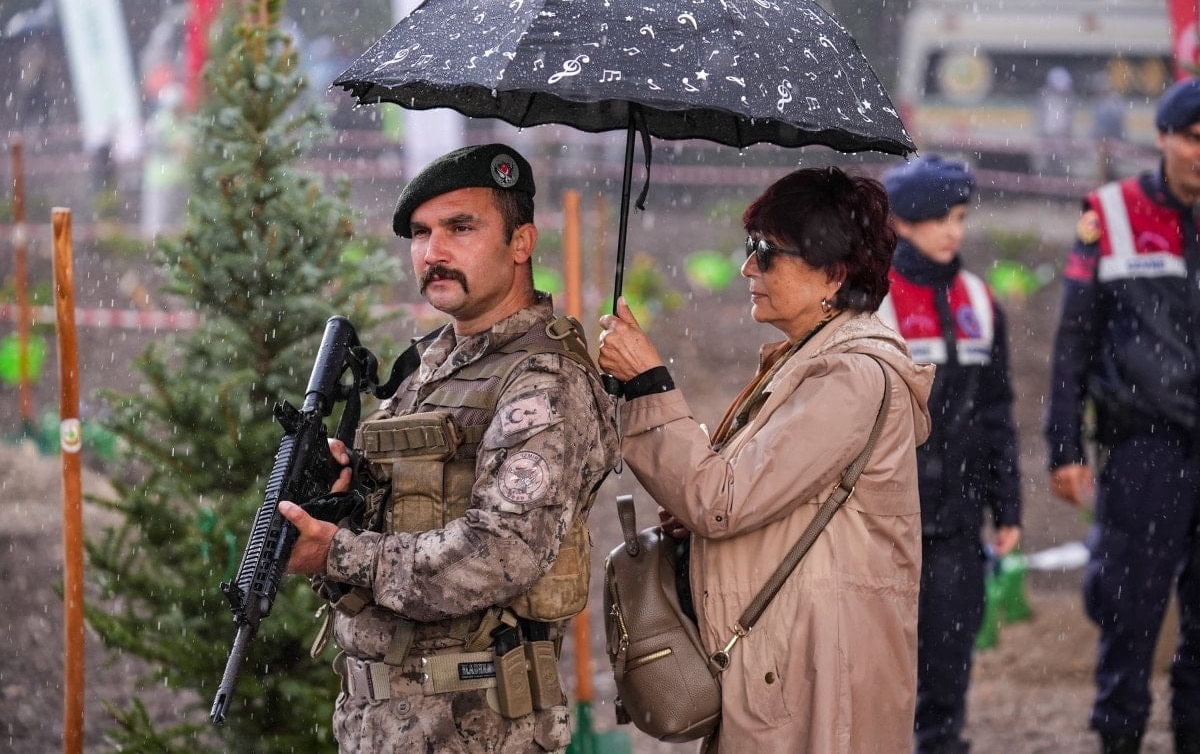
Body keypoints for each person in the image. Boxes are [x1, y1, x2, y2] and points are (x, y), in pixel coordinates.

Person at [278, 143, 621, 753]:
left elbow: (502, 550)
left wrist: (340, 553)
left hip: (477, 728)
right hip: (381, 724)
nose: (433, 252)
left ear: (521, 242)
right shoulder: (426, 368)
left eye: (460, 228)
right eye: (420, 233)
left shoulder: (544, 381)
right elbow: (407, 516)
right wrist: (346, 495)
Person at [597, 166, 934, 753]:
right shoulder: (809, 360)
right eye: (750, 248)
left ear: (833, 272)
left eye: (767, 253)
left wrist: (650, 384)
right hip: (793, 662)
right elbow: (771, 501)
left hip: (820, 675)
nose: (747, 268)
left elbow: (721, 500)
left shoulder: (850, 377)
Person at [1045, 77, 1200, 754]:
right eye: (1193, 138)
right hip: (1145, 448)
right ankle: (1119, 738)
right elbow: (1072, 340)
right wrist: (1063, 445)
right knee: (1130, 617)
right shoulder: (1113, 212)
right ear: (1163, 137)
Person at [879, 154, 1023, 754]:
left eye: (960, 217)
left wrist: (1007, 507)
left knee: (948, 658)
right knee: (881, 663)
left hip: (959, 519)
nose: (952, 231)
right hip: (885, 518)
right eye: (938, 218)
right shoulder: (874, 301)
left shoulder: (981, 302)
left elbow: (997, 412)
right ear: (901, 223)